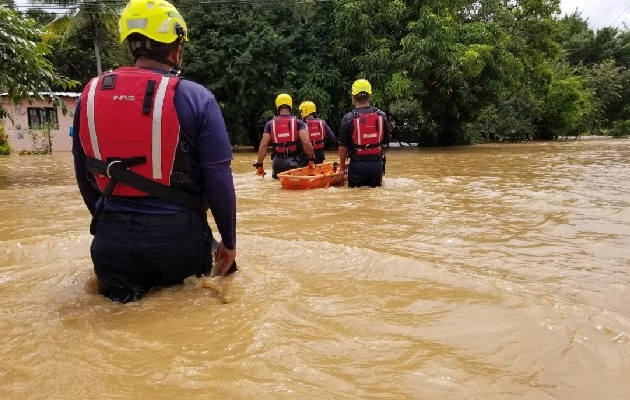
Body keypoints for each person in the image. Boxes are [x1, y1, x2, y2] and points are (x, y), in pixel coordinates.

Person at [71, 0, 237, 303]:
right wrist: (229, 241)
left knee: (116, 326)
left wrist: (110, 218)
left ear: (131, 47)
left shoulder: (89, 96)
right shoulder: (196, 97)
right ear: (176, 47)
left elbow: (83, 174)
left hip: (111, 242)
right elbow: (218, 179)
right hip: (178, 242)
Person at [338, 79, 391, 187]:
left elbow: (343, 148)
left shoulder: (348, 118)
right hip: (376, 166)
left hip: (357, 166)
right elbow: (385, 143)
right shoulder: (382, 116)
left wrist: (342, 168)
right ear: (370, 96)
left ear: (353, 97)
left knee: (356, 199)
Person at [254, 93, 317, 178]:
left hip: (277, 165)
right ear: (290, 106)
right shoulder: (298, 122)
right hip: (293, 163)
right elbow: (306, 142)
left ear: (277, 106)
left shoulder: (270, 124)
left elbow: (263, 145)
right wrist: (312, 158)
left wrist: (259, 164)